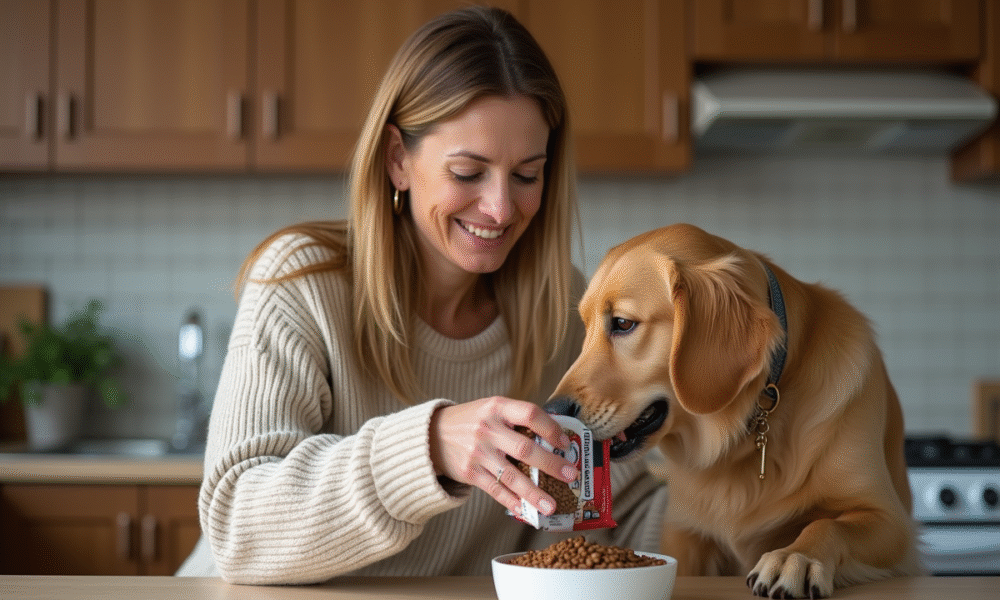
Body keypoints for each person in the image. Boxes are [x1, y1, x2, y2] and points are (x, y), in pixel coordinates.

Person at [176, 6, 666, 584]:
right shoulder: (301, 284)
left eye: (527, 175)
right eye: (467, 172)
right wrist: (427, 450)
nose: (502, 209)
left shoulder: (561, 307)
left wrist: (750, 493)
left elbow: (614, 513)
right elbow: (237, 526)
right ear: (397, 160)